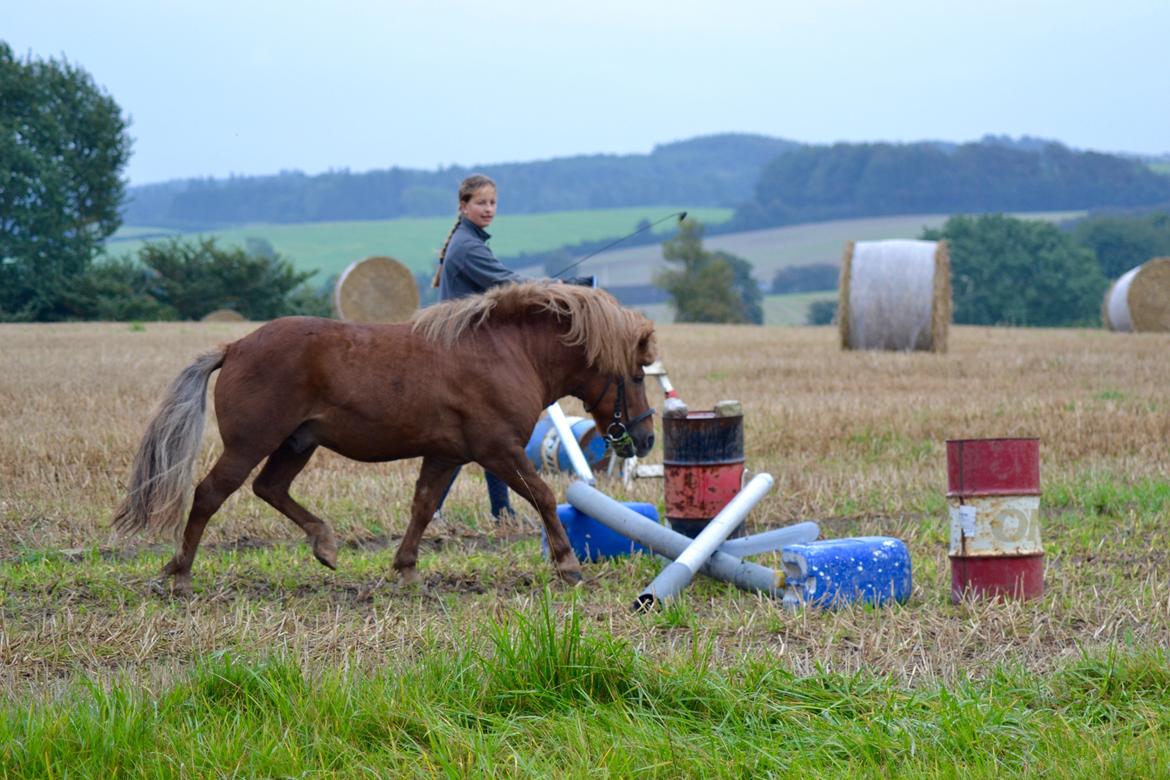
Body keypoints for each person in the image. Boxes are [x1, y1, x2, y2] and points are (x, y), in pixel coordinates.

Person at [430, 173, 591, 520]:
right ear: (463, 206)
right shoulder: (467, 247)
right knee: (474, 438)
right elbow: (508, 283)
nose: (488, 209)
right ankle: (441, 509)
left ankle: (500, 510)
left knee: (495, 431)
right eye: (480, 203)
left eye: (492, 203)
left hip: (470, 347)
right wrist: (561, 287)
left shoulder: (469, 240)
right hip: (463, 351)